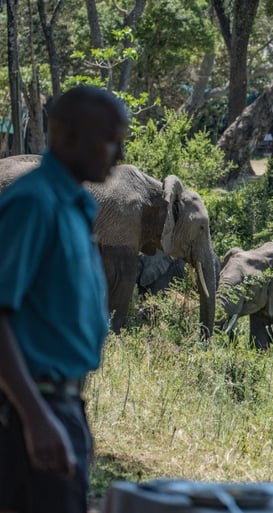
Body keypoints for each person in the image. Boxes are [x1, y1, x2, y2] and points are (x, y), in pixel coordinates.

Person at [0, 86, 129, 513]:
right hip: (30, 407)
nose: (119, 151)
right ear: (69, 136)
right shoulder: (34, 203)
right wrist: (36, 417)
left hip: (61, 402)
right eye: (111, 137)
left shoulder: (72, 204)